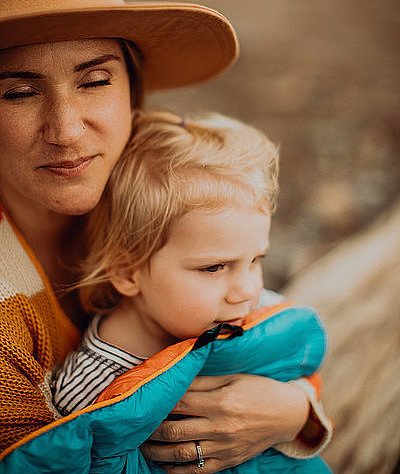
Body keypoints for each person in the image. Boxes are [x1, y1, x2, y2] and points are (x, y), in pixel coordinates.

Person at [0, 0, 331, 472]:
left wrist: (295, 411)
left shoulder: (173, 182)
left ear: (134, 88)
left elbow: (262, 324)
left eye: (94, 80)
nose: (66, 130)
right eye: (17, 92)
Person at [51, 109, 332, 473]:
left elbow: (295, 362)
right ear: (127, 271)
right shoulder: (91, 392)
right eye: (214, 267)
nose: (246, 289)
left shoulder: (252, 310)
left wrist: (298, 413)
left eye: (255, 259)